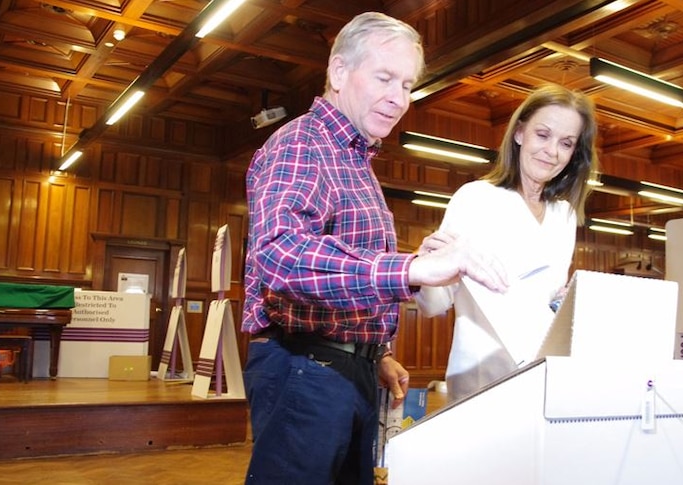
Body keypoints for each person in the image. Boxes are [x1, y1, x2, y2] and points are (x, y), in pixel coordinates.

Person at [241, 11, 508, 485]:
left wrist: (374, 353)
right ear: (339, 72)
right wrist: (410, 269)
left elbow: (341, 270)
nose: (397, 98)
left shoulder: (355, 156)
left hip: (344, 367)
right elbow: (281, 255)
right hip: (306, 367)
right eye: (384, 77)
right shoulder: (304, 142)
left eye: (406, 84)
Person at [415, 83, 599, 404]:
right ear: (519, 134)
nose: (552, 151)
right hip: (481, 381)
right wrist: (424, 265)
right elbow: (433, 304)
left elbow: (550, 302)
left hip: (544, 378)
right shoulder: (476, 198)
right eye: (543, 135)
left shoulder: (564, 215)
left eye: (566, 143)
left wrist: (566, 302)